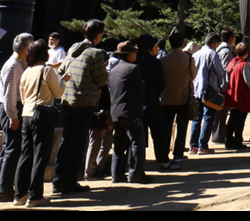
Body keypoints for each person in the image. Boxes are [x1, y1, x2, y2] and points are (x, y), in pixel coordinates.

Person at [54, 19, 108, 195]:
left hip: (67, 100)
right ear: (98, 35)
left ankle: (58, 180)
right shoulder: (96, 53)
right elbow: (102, 80)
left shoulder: (73, 49)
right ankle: (70, 182)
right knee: (78, 143)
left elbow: (61, 71)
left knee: (66, 141)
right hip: (84, 102)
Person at [14, 39, 63, 207]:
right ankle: (35, 195)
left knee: (26, 154)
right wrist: (64, 80)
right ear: (45, 54)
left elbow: (23, 97)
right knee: (40, 155)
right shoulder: (47, 70)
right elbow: (58, 92)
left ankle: (20, 193)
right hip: (42, 115)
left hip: (26, 114)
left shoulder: (26, 71)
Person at [0, 32, 33, 203]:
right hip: (12, 108)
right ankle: (3, 190)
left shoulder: (18, 63)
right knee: (12, 149)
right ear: (26, 47)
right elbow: (9, 94)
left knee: (8, 147)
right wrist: (13, 115)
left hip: (12, 108)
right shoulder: (14, 65)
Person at [108, 41, 150, 184]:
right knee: (137, 142)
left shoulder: (113, 71)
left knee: (119, 144)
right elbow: (140, 91)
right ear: (130, 54)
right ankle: (136, 173)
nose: (136, 54)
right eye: (134, 52)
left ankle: (117, 174)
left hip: (116, 112)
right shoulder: (133, 68)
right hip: (131, 111)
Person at [159, 32, 196, 164]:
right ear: (183, 43)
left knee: (166, 127)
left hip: (167, 97)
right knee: (182, 127)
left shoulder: (163, 60)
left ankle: (163, 153)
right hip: (184, 97)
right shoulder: (189, 59)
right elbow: (193, 76)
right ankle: (178, 153)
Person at [136, 34, 169, 171]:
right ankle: (163, 160)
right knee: (158, 134)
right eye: (155, 45)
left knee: (138, 136)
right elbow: (161, 84)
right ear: (149, 48)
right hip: (152, 102)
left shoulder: (134, 61)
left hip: (137, 103)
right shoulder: (155, 62)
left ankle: (138, 163)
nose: (157, 48)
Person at [189, 32, 224, 154]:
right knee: (208, 118)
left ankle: (193, 146)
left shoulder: (195, 54)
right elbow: (219, 71)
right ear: (214, 43)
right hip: (209, 91)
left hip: (196, 89)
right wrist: (224, 70)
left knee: (196, 119)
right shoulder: (213, 54)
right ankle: (203, 146)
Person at [223, 42, 250, 149]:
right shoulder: (244, 65)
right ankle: (238, 141)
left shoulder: (231, 63)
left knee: (232, 118)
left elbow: (227, 79)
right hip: (242, 95)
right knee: (240, 119)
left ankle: (228, 141)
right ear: (246, 53)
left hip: (232, 94)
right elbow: (247, 80)